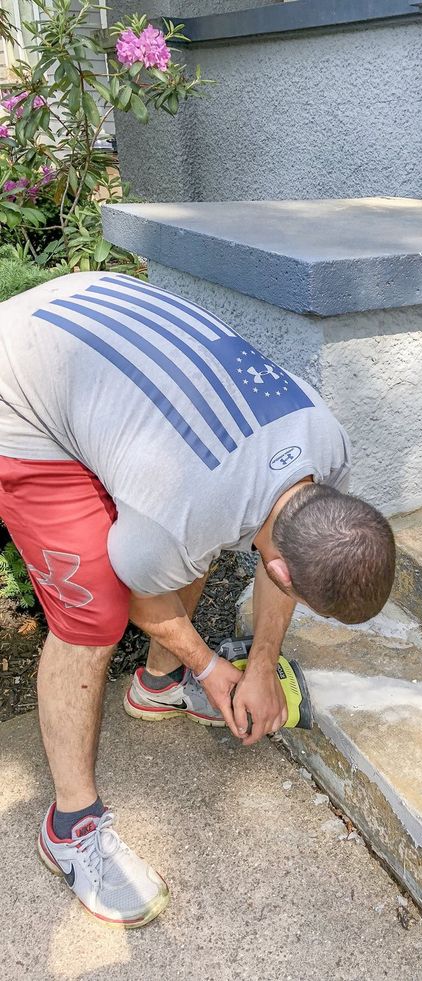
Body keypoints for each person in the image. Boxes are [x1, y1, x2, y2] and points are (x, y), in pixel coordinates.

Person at [0, 271, 395, 928]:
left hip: (93, 315)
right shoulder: (177, 515)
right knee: (92, 614)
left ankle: (157, 685)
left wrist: (262, 665)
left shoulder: (325, 445)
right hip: (17, 383)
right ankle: (69, 826)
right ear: (280, 566)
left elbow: (269, 555)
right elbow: (142, 601)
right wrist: (216, 672)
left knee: (194, 537)